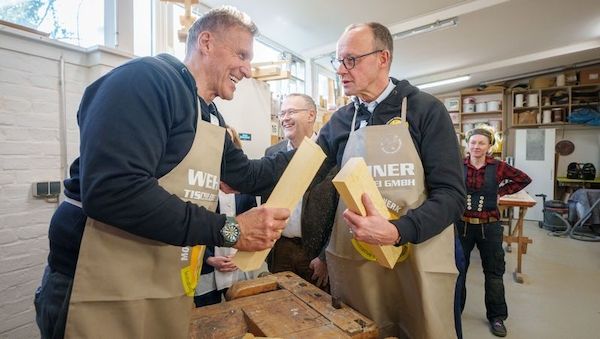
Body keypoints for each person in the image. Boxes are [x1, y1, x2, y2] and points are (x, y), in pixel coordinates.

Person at [34, 6, 293, 339]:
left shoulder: (210, 115)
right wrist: (230, 230)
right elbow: (115, 191)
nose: (247, 69)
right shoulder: (146, 80)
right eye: (241, 54)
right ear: (207, 42)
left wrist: (316, 150)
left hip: (159, 278)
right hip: (94, 280)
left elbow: (246, 176)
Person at [316, 22, 466, 338]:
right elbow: (300, 169)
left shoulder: (426, 110)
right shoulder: (342, 120)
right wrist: (240, 175)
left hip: (418, 254)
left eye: (350, 60)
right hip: (360, 261)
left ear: (383, 58)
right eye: (337, 61)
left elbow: (452, 196)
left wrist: (398, 230)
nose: (341, 70)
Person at [456, 128, 531, 337]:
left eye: (481, 143)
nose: (476, 147)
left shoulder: (498, 167)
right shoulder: (457, 164)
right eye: (473, 143)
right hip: (462, 225)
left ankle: (497, 317)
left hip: (490, 226)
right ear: (467, 145)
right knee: (458, 271)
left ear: (489, 146)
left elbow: (523, 179)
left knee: (494, 273)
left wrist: (501, 191)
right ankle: (455, 312)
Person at [195, 126, 268, 307]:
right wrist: (208, 258)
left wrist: (240, 254)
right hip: (209, 264)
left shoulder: (244, 182)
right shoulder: (199, 179)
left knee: (243, 307)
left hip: (238, 259)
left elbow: (252, 218)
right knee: (210, 315)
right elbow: (193, 223)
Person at [264, 93, 331, 290]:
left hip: (314, 254)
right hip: (280, 249)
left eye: (291, 112)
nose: (285, 118)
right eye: (282, 113)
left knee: (318, 310)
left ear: (311, 115)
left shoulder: (330, 153)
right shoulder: (272, 153)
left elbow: (340, 211)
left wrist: (325, 256)